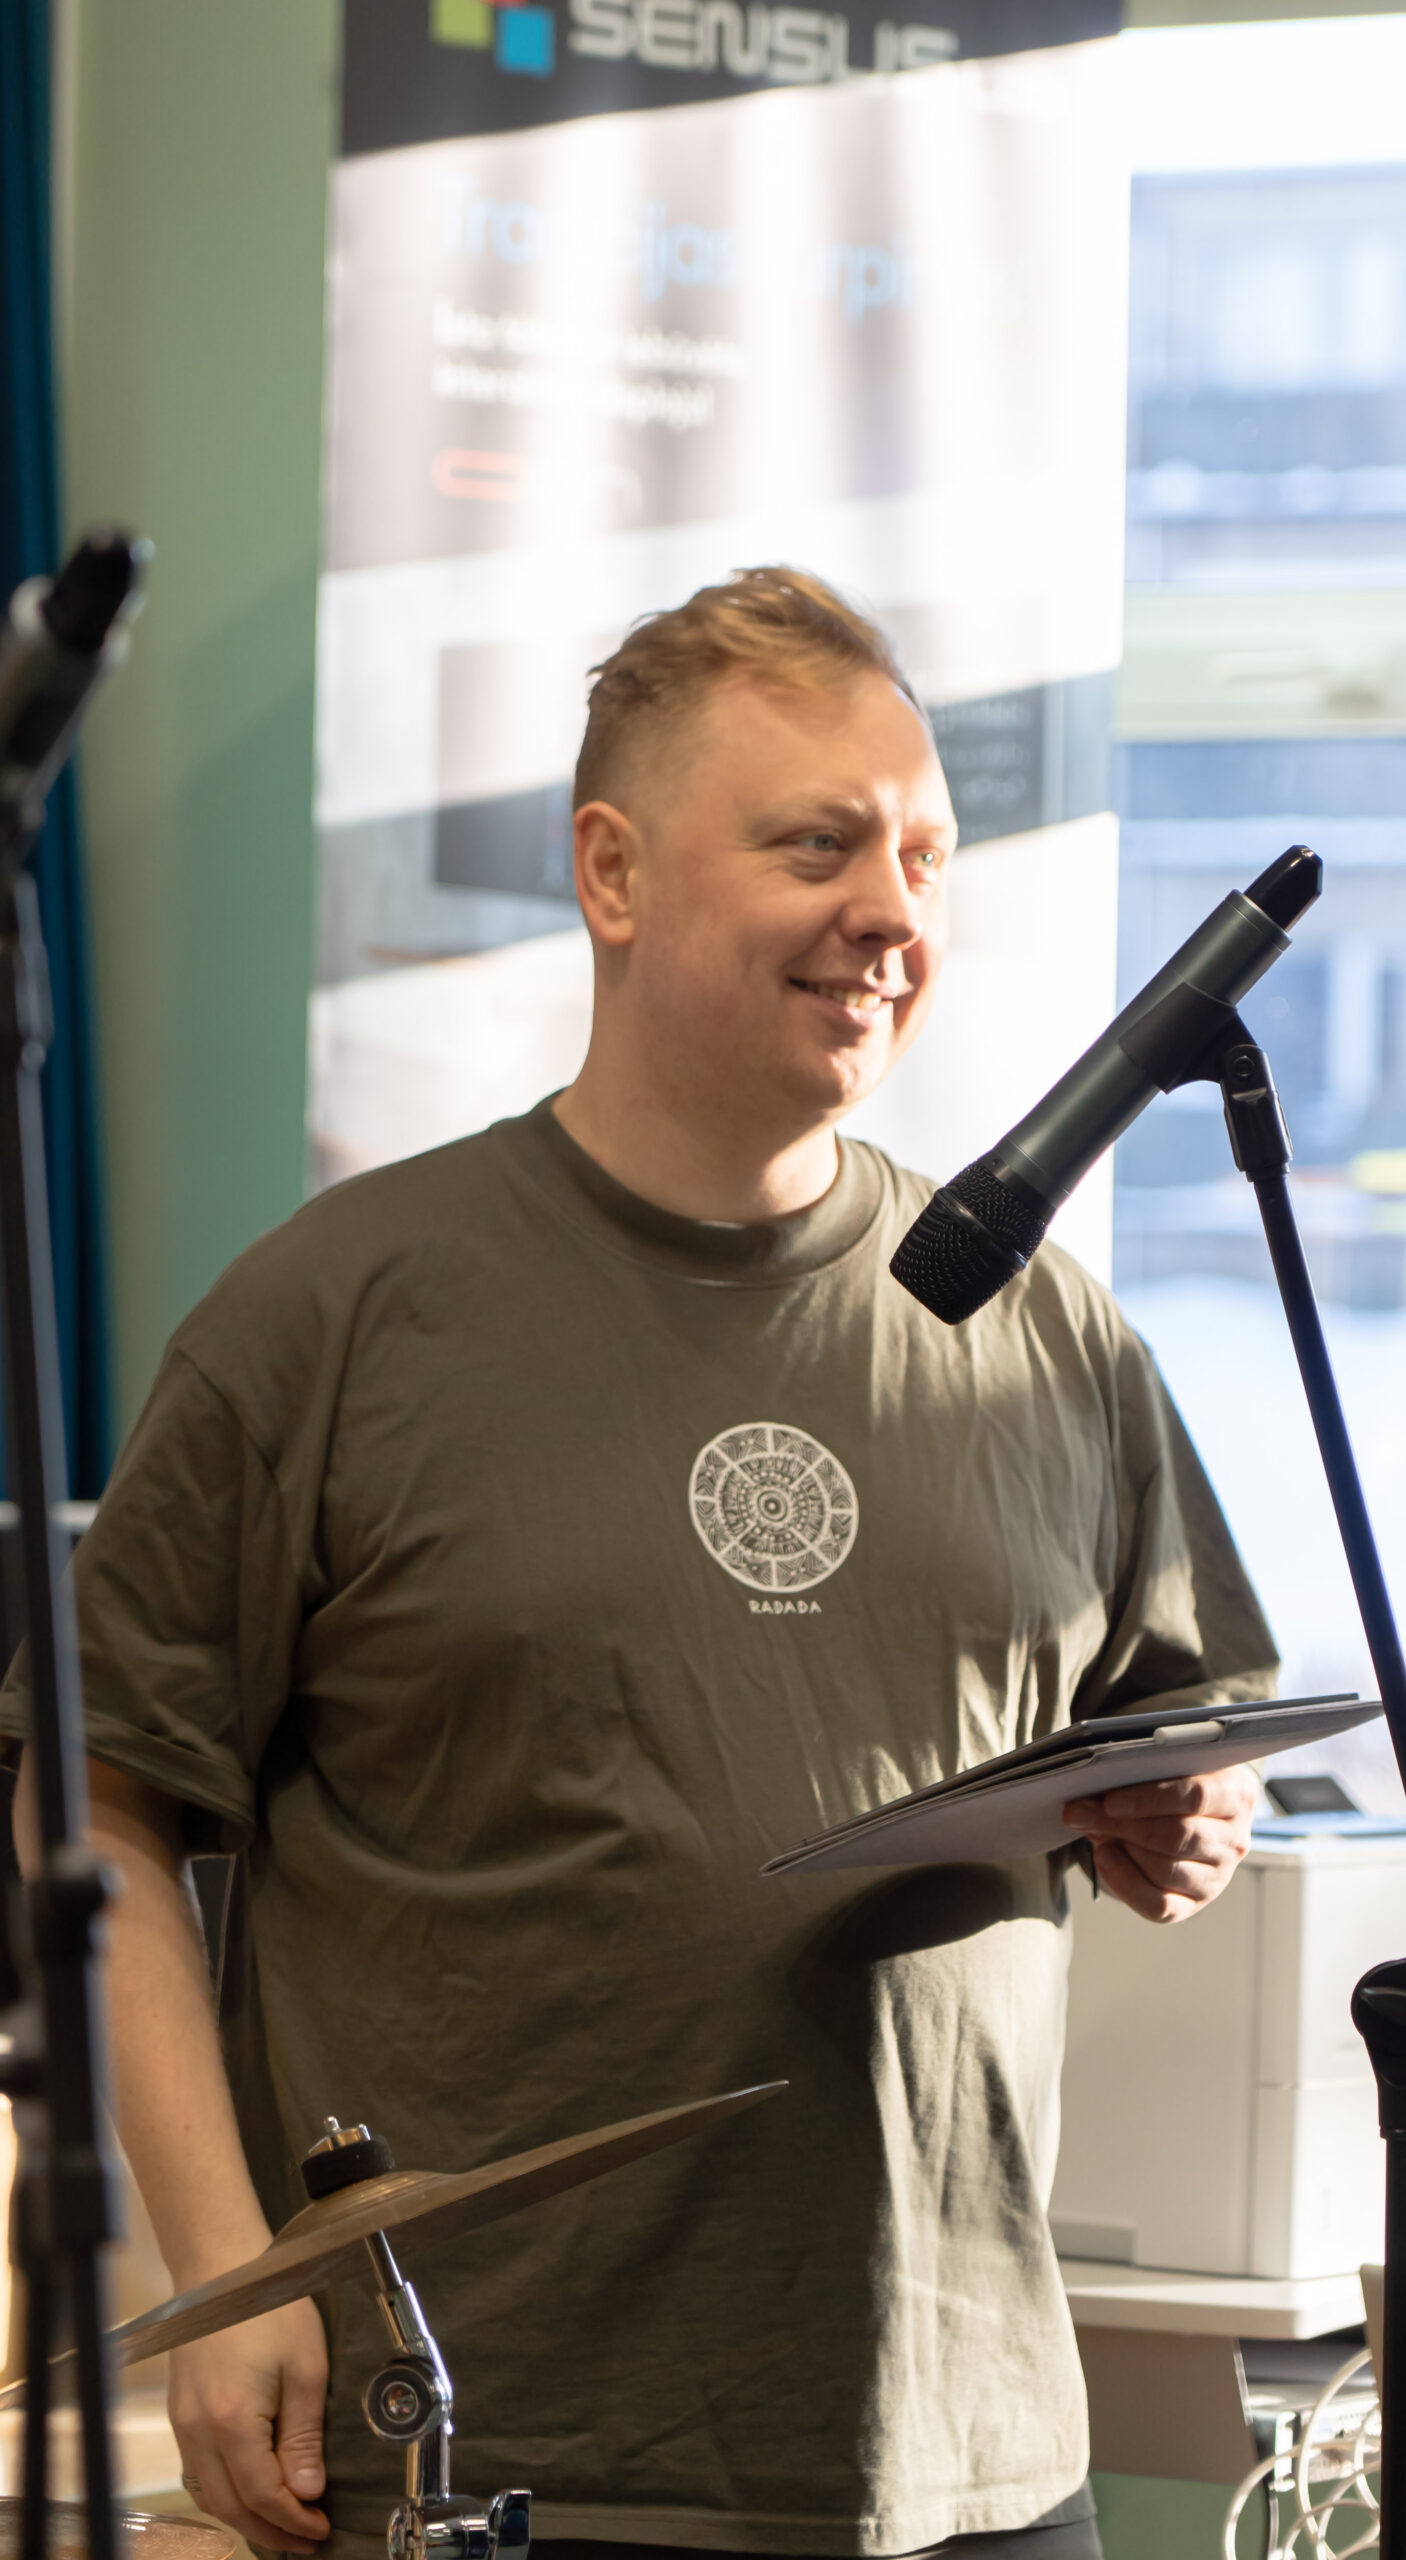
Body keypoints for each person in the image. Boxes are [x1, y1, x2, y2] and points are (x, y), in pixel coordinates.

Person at [6, 569, 1276, 2560]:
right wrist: (231, 2271)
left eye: (925, 853)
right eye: (817, 845)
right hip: (498, 2446)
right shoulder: (336, 1313)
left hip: (974, 2453)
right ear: (611, 871)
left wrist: (1184, 1818)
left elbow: (1184, 1754)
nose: (893, 911)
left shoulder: (1044, 1333)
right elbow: (88, 1802)